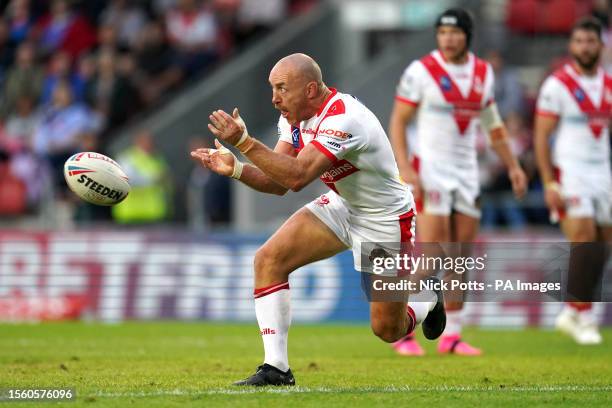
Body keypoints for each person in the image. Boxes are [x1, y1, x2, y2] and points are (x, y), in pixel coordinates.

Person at [191, 53, 446, 386]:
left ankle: (426, 296)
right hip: (341, 204)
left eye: (281, 88)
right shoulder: (294, 119)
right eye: (272, 89)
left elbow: (298, 176)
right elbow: (278, 183)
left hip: (382, 219)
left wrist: (243, 142)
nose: (274, 98)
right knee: (269, 259)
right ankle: (276, 368)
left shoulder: (345, 118)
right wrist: (236, 168)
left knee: (387, 329)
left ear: (310, 89)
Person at [388, 8, 527, 356]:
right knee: (432, 253)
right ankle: (402, 329)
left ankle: (452, 336)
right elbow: (398, 122)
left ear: (467, 35)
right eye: (442, 33)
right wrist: (405, 167)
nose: (447, 39)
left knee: (460, 258)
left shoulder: (482, 73)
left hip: (467, 174)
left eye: (454, 32)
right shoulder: (421, 72)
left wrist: (512, 166)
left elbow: (493, 125)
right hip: (431, 170)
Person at [534, 17, 611, 345]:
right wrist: (550, 182)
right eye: (579, 42)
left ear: (601, 46)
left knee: (603, 247)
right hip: (571, 172)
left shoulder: (608, 84)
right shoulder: (558, 85)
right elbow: (541, 137)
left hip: (603, 173)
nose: (585, 47)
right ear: (572, 46)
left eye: (590, 42)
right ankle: (585, 317)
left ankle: (573, 311)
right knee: (584, 239)